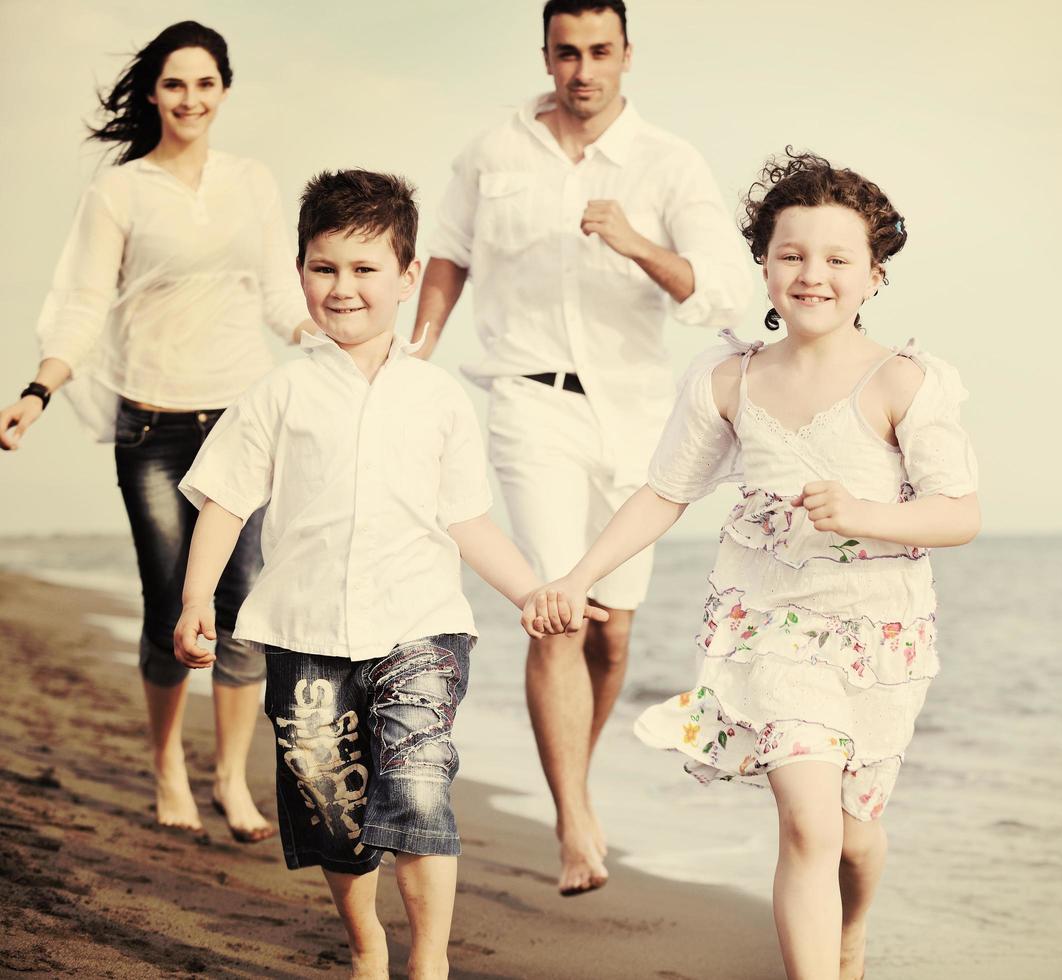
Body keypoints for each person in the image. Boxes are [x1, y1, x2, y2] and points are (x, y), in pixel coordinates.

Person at [522, 151, 980, 980]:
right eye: (792, 254)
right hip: (769, 625)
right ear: (763, 264)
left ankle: (851, 932)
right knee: (806, 819)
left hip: (878, 638)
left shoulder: (903, 382)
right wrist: (578, 576)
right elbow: (664, 494)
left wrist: (863, 513)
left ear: (875, 275)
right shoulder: (729, 379)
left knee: (855, 829)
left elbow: (960, 513)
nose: (814, 275)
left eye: (839, 259)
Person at [172, 170, 558, 980]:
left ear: (407, 277)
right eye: (324, 268)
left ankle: (430, 961)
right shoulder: (279, 393)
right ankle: (366, 946)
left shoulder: (439, 398)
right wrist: (198, 596)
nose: (342, 288)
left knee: (419, 786)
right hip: (303, 629)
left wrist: (529, 591)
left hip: (420, 623)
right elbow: (226, 502)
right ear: (302, 272)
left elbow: (467, 520)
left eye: (364, 268)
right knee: (332, 809)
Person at [413, 0, 752, 894]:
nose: (583, 70)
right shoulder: (494, 150)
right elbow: (447, 254)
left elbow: (719, 291)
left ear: (628, 54)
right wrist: (417, 355)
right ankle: (571, 820)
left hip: (637, 418)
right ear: (546, 55)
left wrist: (636, 241)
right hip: (529, 402)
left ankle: (579, 776)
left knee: (613, 632)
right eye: (567, 53)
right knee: (558, 605)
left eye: (600, 51)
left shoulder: (668, 162)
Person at [0, 21, 311, 842]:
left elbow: (283, 297)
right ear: (152, 93)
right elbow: (82, 303)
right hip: (153, 425)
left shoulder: (252, 182)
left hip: (242, 422)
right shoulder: (122, 191)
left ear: (225, 91)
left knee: (244, 605)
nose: (191, 99)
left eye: (205, 84)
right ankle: (169, 761)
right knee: (173, 601)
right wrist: (38, 388)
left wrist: (333, 335)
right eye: (175, 84)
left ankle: (229, 779)